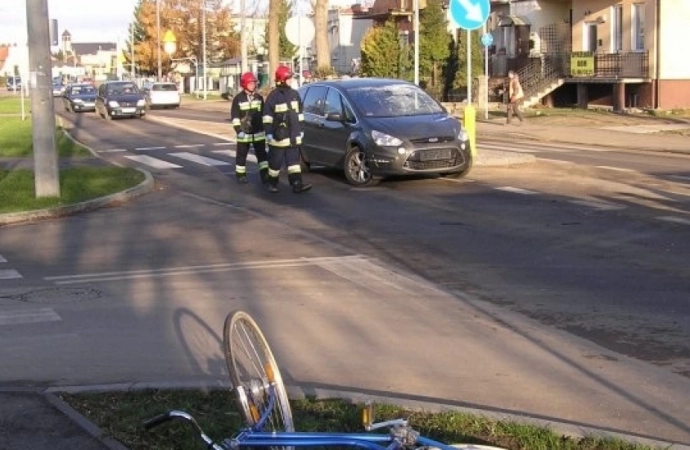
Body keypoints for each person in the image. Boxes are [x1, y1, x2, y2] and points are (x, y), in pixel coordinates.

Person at [262, 65, 312, 194]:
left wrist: (301, 129)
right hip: (278, 138)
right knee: (275, 164)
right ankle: (272, 183)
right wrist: (268, 133)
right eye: (289, 78)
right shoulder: (273, 97)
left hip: (294, 137)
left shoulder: (294, 94)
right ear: (282, 80)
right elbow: (267, 117)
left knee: (294, 164)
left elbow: (300, 114)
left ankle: (297, 184)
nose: (291, 80)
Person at [230, 72, 269, 184]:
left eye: (254, 83)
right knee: (242, 155)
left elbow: (263, 114)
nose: (253, 85)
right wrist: (238, 130)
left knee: (262, 155)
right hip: (244, 133)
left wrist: (266, 128)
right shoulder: (238, 99)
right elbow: (235, 116)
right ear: (244, 84)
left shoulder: (259, 97)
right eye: (251, 83)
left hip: (258, 133)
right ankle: (240, 175)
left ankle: (264, 174)